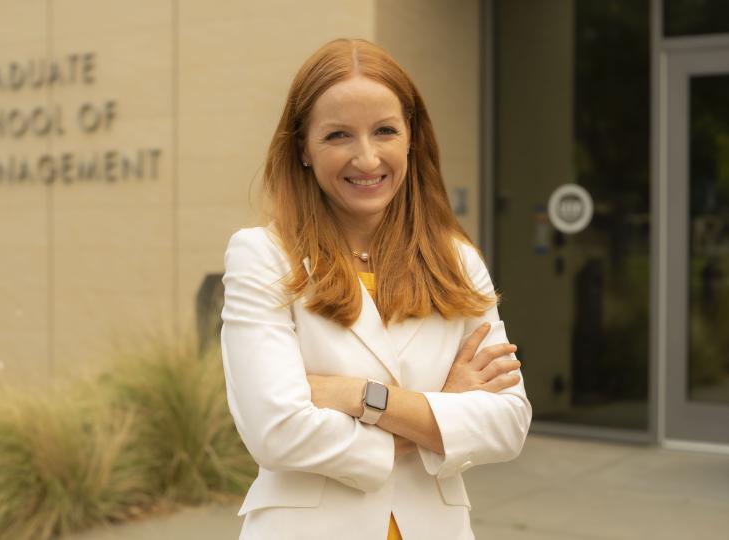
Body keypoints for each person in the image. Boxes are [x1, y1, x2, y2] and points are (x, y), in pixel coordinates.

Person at [220, 38, 531, 540]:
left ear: (412, 137)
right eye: (338, 135)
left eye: (385, 130)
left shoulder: (456, 261)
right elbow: (276, 434)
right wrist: (439, 410)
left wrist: (357, 397)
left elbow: (507, 423)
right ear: (302, 146)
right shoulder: (262, 256)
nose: (366, 159)